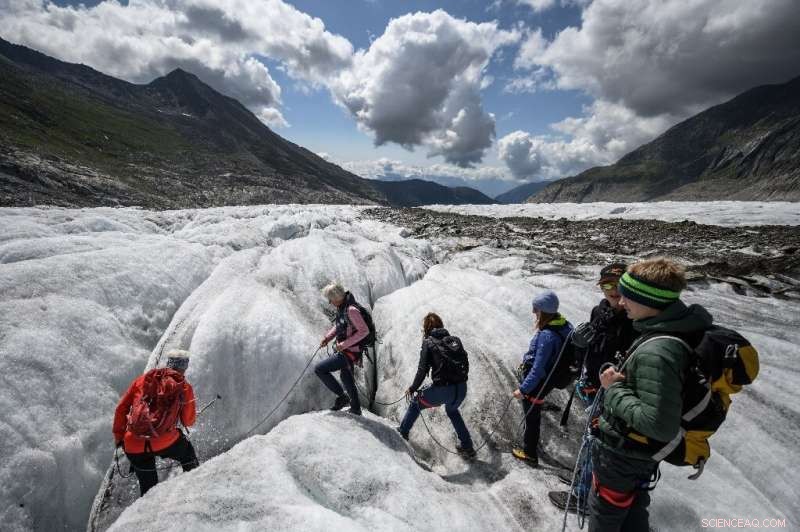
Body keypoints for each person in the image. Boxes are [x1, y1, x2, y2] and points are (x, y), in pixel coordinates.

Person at [589, 258, 712, 532]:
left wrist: (614, 389)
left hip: (624, 453)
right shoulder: (667, 331)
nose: (622, 303)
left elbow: (659, 425)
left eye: (629, 297)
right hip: (639, 454)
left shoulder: (657, 352)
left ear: (649, 301)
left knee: (605, 515)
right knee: (633, 509)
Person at [549, 263, 637, 512]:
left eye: (618, 285)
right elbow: (592, 349)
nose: (613, 290)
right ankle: (582, 479)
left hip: (614, 393)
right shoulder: (599, 312)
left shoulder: (634, 319)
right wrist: (579, 347)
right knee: (590, 439)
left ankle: (583, 496)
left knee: (597, 442)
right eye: (607, 285)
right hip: (593, 386)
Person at [113, 350, 199, 496]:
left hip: (133, 445)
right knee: (188, 456)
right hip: (165, 441)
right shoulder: (184, 387)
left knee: (148, 489)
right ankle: (194, 490)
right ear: (185, 367)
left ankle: (146, 509)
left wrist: (119, 438)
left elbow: (121, 409)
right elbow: (188, 421)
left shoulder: (143, 380)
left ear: (168, 363)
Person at [397, 312, 476, 459]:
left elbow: (422, 370)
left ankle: (402, 433)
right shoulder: (455, 340)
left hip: (443, 390)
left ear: (426, 328)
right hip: (461, 389)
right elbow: (465, 363)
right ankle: (467, 446)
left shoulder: (429, 342)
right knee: (452, 411)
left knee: (415, 403)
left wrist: (413, 388)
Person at [512, 290, 573, 467]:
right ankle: (539, 402)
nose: (533, 312)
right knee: (534, 408)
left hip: (538, 383)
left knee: (531, 417)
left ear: (543, 311)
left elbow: (538, 369)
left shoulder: (547, 335)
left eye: (535, 308)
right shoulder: (565, 325)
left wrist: (523, 390)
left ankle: (529, 453)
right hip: (551, 379)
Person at [316, 282, 369, 416]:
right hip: (348, 349)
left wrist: (344, 344)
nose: (330, 302)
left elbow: (364, 331)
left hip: (350, 351)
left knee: (320, 369)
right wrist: (327, 338)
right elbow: (339, 326)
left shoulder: (351, 310)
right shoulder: (343, 307)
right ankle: (355, 408)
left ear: (337, 297)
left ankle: (343, 397)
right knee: (346, 377)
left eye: (330, 299)